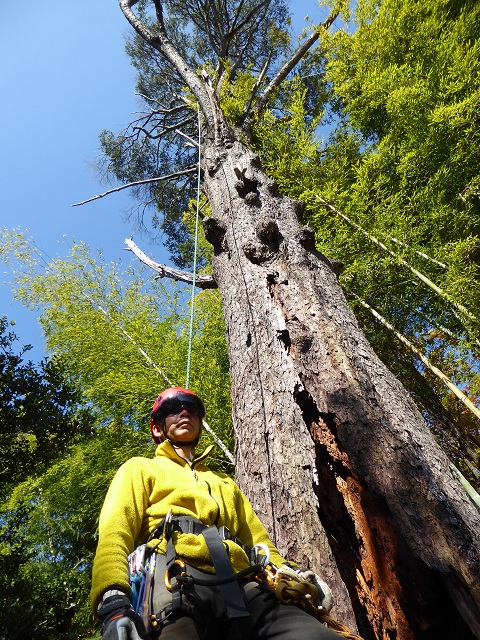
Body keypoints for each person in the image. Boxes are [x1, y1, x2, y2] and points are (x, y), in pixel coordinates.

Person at [91, 387, 346, 640]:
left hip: (244, 580)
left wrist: (288, 571)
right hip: (173, 570)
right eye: (172, 409)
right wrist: (113, 599)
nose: (183, 412)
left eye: (191, 409)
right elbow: (115, 531)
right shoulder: (140, 469)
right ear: (157, 428)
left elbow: (259, 542)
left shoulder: (224, 482)